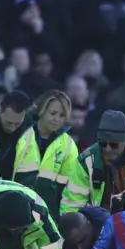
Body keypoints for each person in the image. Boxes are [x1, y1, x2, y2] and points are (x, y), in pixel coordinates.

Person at [32, 90, 80, 218]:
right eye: (53, 113)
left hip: (48, 214)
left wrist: (64, 217)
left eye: (62, 115)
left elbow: (71, 189)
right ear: (41, 111)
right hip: (16, 206)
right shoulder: (21, 135)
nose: (57, 119)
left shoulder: (69, 145)